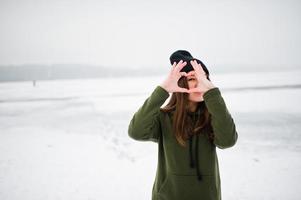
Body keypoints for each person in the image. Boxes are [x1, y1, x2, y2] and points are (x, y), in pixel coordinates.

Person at [128, 50, 238, 200]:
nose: (200, 83)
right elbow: (136, 131)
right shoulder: (163, 117)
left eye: (204, 78)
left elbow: (228, 141)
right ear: (180, 83)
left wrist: (212, 93)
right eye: (193, 78)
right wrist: (163, 90)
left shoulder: (214, 115)